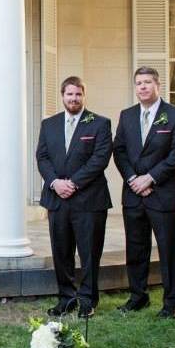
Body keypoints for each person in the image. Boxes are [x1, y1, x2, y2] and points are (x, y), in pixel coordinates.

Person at [113, 66, 175, 318]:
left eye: (147, 82)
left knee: (166, 250)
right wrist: (134, 178)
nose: (142, 87)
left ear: (157, 85)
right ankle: (138, 296)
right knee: (135, 248)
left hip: (162, 193)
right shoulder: (127, 115)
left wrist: (151, 178)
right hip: (133, 193)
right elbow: (119, 150)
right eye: (138, 83)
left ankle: (170, 303)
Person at [35, 76, 112, 318]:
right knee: (61, 251)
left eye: (78, 94)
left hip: (89, 200)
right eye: (70, 94)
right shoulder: (49, 124)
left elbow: (100, 159)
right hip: (57, 199)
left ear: (83, 96)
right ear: (62, 96)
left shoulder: (99, 123)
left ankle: (88, 300)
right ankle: (66, 298)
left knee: (89, 252)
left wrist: (74, 184)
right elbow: (42, 157)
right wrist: (55, 183)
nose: (74, 98)